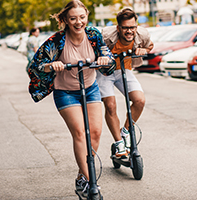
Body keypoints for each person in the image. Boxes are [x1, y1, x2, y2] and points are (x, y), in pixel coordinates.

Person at [26, 0, 115, 196]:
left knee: (96, 134)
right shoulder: (57, 40)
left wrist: (104, 59)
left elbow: (107, 55)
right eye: (73, 18)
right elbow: (35, 65)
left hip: (90, 88)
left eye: (82, 17)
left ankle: (81, 176)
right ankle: (92, 183)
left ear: (87, 17)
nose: (78, 22)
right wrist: (52, 65)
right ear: (65, 19)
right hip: (65, 92)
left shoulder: (93, 34)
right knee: (80, 133)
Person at [96, 8, 153, 158]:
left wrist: (143, 49)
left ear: (136, 26)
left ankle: (125, 131)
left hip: (124, 70)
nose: (129, 31)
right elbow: (92, 50)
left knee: (139, 100)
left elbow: (150, 46)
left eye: (132, 27)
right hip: (105, 72)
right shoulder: (106, 36)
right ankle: (119, 143)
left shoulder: (142, 34)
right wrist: (101, 56)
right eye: (125, 28)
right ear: (118, 28)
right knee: (110, 106)